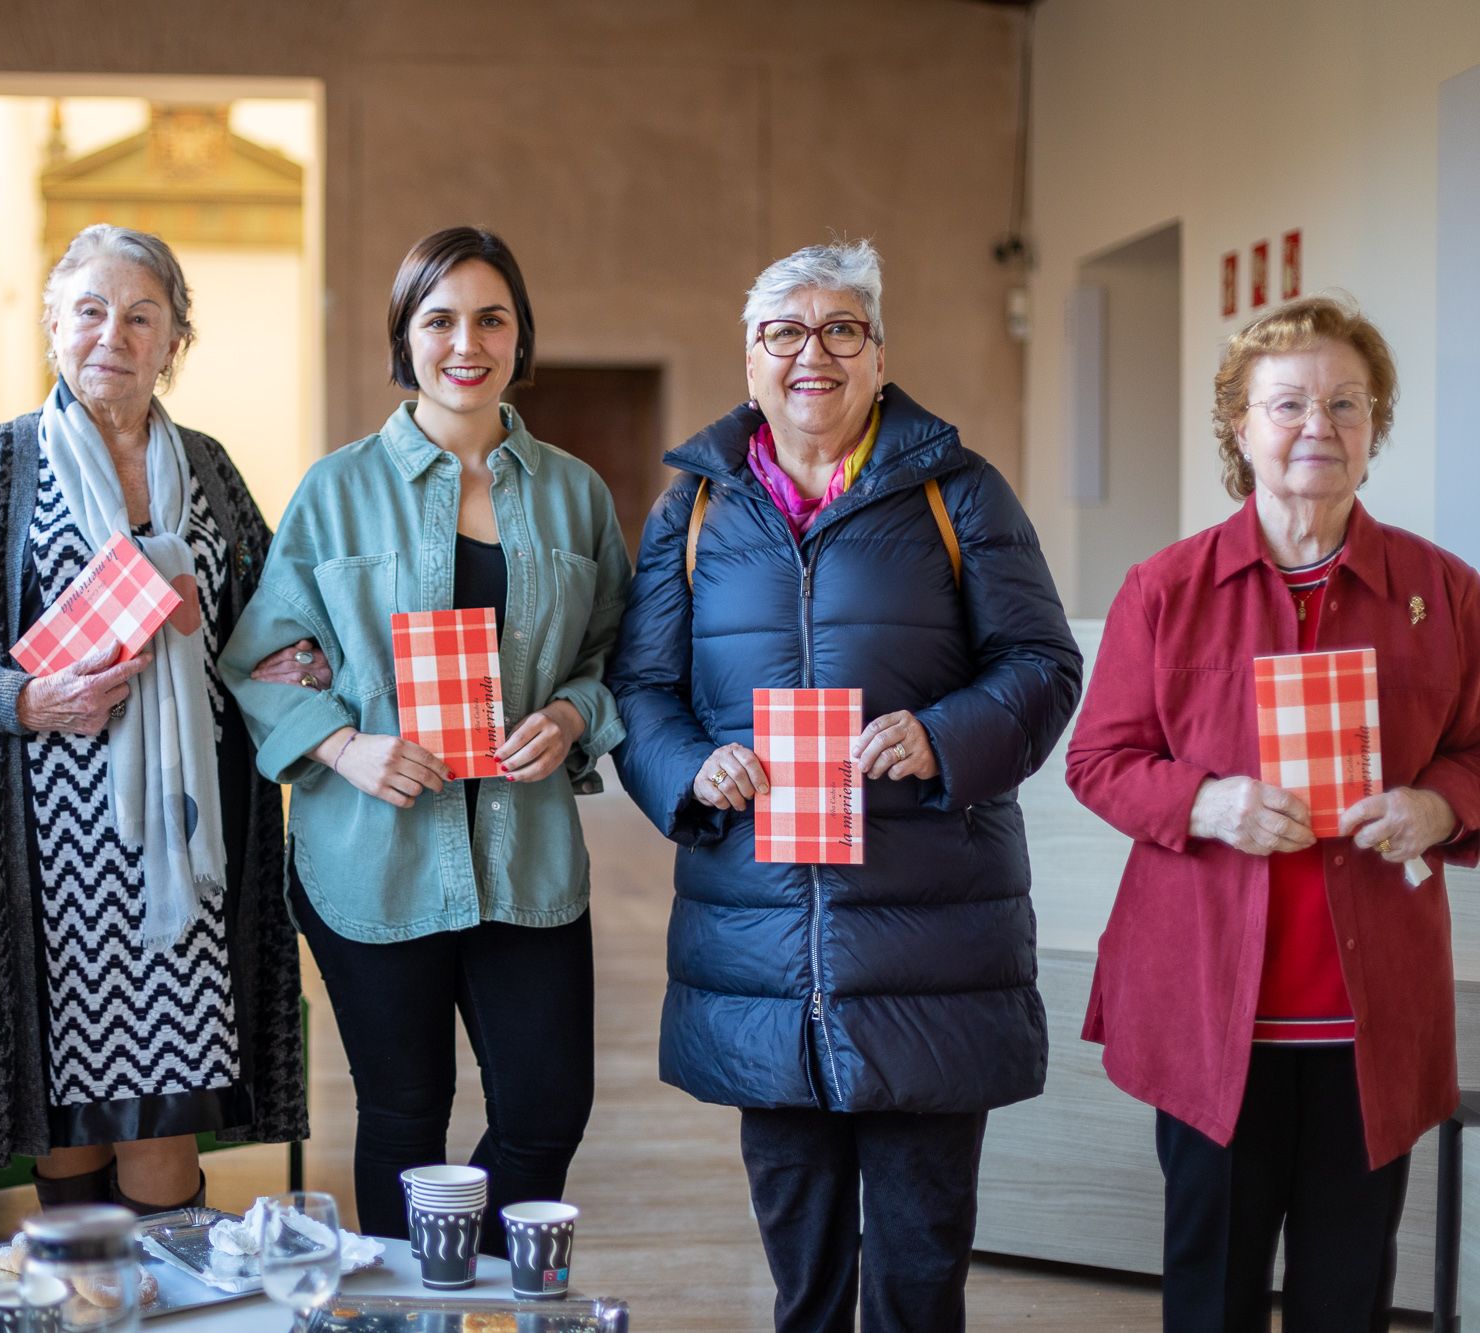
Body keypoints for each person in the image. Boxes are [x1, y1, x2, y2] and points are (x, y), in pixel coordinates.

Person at [607, 239, 1082, 1332]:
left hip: (927, 941)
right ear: (749, 357)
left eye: (839, 330)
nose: (809, 353)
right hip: (763, 940)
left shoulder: (955, 493)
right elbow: (640, 686)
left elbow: (1041, 665)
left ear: (878, 355)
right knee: (801, 1272)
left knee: (918, 1269)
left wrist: (939, 734)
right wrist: (691, 764)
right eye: (783, 331)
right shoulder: (693, 511)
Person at [0, 223, 312, 1210]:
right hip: (41, 873)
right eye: (89, 310)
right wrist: (21, 698)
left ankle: (168, 1302)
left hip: (186, 860)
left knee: (162, 1114)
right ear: (51, 327)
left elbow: (281, 625)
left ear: (172, 343)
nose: (111, 334)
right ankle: (82, 1306)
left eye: (139, 316)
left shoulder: (207, 468)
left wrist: (232, 625)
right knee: (61, 1130)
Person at [1067, 295, 1480, 1331]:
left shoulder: (1443, 592)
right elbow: (1098, 760)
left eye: (1345, 403)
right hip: (1208, 1010)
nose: (1317, 426)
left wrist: (1437, 806)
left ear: (1372, 427)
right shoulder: (1165, 587)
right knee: (1210, 1291)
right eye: (1287, 403)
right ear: (1238, 427)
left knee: (1347, 1293)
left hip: (1370, 1016)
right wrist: (1204, 802)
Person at [222, 225, 631, 1254]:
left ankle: (475, 1297)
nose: (466, 341)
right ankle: (411, 1311)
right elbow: (259, 658)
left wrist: (575, 713)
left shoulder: (575, 493)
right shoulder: (336, 488)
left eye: (490, 317)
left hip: (525, 854)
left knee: (544, 1109)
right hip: (374, 851)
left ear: (519, 337)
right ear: (402, 340)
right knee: (405, 1115)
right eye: (437, 318)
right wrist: (345, 746)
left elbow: (616, 649)